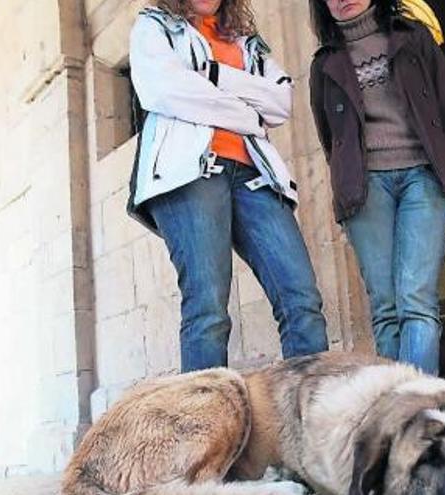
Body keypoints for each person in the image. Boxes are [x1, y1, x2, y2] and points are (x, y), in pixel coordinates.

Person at [127, 0, 329, 372]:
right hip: (190, 175)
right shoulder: (154, 26)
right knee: (208, 311)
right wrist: (248, 115)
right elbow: (163, 91)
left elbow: (280, 103)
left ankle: (311, 417)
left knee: (301, 300)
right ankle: (203, 425)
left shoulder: (246, 41)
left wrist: (214, 75)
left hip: (255, 173)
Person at [309, 0, 445, 375]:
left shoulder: (413, 38)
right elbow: (330, 138)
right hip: (365, 191)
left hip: (424, 178)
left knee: (416, 300)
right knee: (386, 309)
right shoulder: (324, 64)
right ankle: (398, 418)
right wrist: (346, 183)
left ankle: (417, 413)